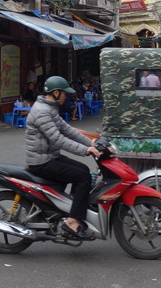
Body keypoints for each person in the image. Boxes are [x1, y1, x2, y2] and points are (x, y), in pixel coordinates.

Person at [25, 75, 99, 241]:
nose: (67, 96)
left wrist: (90, 142)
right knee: (83, 177)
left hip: (50, 156)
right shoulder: (42, 112)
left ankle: (71, 210)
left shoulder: (49, 107)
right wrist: (86, 150)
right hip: (41, 162)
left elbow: (66, 129)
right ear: (56, 92)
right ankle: (72, 221)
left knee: (84, 169)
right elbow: (58, 139)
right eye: (65, 93)